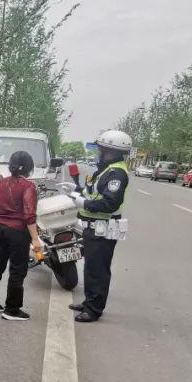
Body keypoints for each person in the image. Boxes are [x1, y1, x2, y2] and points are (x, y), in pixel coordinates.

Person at [69, 129, 132, 323]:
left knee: (98, 270)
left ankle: (94, 309)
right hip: (94, 227)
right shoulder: (106, 170)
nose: (99, 153)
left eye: (102, 150)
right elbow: (94, 193)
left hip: (104, 228)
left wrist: (83, 203)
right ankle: (89, 301)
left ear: (110, 151)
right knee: (90, 267)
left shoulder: (117, 174)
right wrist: (78, 191)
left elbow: (109, 203)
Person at [0, 150, 42, 321]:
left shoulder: (1, 183)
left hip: (0, 228)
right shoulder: (28, 186)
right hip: (18, 232)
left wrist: (1, 225)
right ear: (29, 167)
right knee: (17, 269)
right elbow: (29, 215)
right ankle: (12, 309)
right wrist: (35, 239)